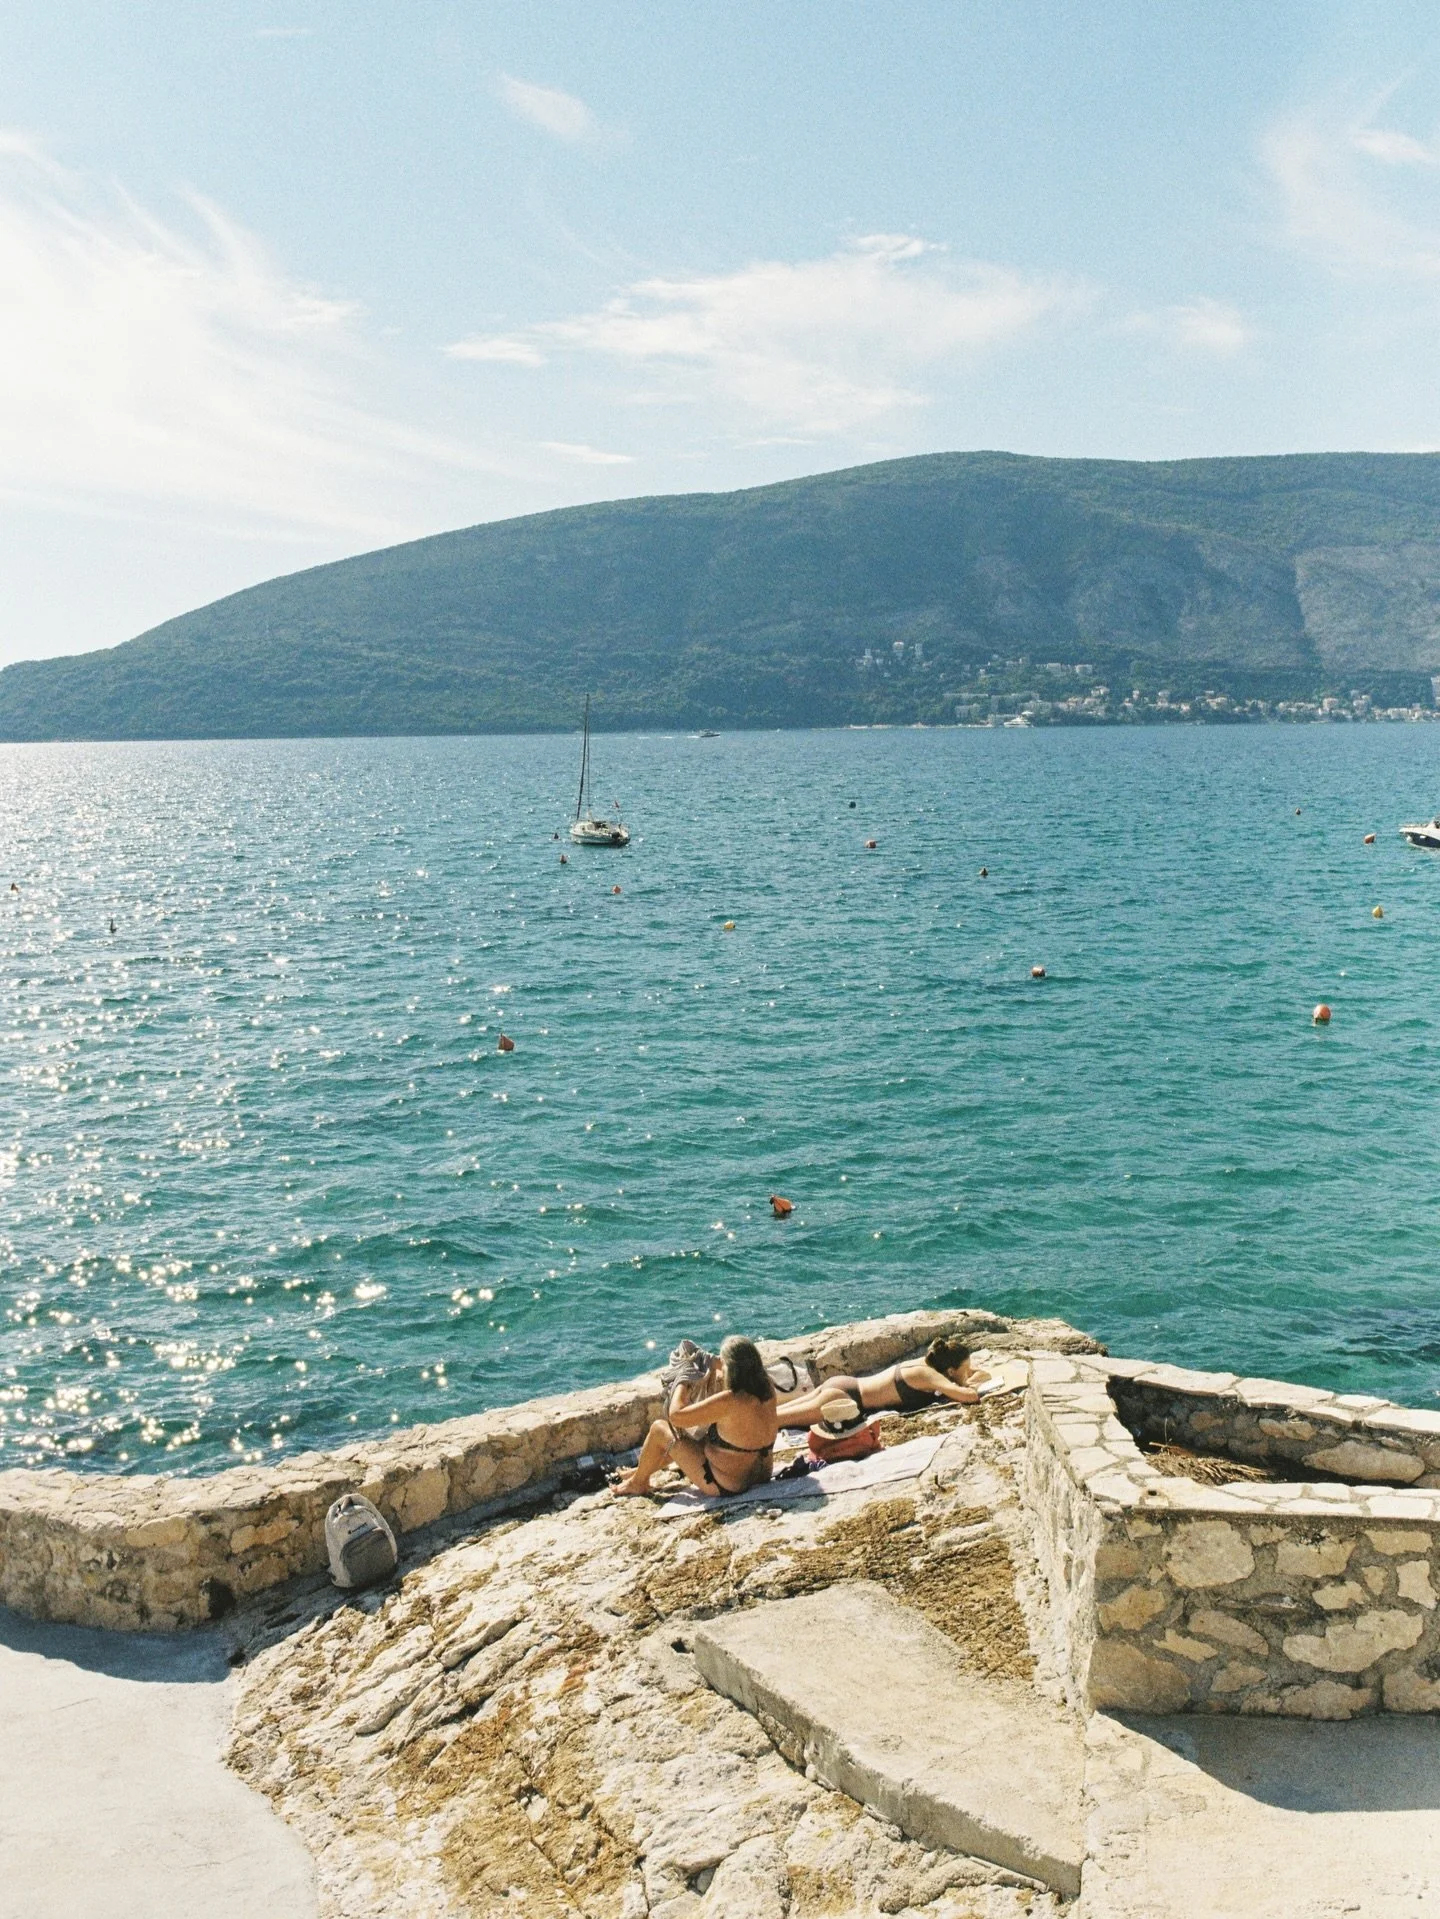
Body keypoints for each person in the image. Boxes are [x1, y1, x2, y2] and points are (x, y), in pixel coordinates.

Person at [614, 1334, 778, 1496]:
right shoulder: (766, 1388)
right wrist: (706, 1359)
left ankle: (638, 1483)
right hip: (761, 1475)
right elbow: (736, 1365)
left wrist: (683, 1379)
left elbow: (676, 1416)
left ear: (731, 1369)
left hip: (727, 1484)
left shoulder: (730, 1400)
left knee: (659, 1429)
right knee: (702, 1438)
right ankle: (641, 1470)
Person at [775, 1336, 987, 1428]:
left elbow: (979, 1374)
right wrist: (966, 1383)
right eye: (964, 1369)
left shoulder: (924, 1364)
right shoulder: (930, 1376)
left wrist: (967, 1374)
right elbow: (969, 1396)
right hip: (845, 1399)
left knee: (774, 1412)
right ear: (950, 1370)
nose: (968, 1372)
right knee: (773, 1421)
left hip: (841, 1384)